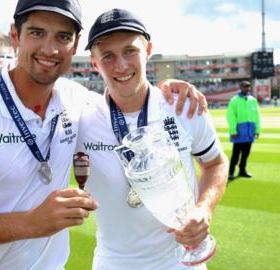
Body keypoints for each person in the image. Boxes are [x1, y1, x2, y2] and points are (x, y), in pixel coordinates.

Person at [0, 1, 206, 269]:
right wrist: (30, 223)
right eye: (37, 33)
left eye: (63, 37)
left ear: (76, 45)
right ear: (15, 35)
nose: (50, 49)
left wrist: (167, 89)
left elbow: (127, 95)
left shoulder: (77, 100)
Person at [76, 9, 228, 269]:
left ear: (148, 51)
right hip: (113, 263)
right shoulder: (81, 117)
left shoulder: (183, 107)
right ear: (94, 62)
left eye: (130, 51)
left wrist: (204, 209)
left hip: (180, 262)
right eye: (108, 56)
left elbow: (215, 163)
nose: (121, 65)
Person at [227, 80, 261, 180]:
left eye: (248, 87)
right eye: (245, 87)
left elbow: (256, 116)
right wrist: (233, 131)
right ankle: (231, 172)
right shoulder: (234, 100)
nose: (247, 88)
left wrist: (257, 130)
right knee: (235, 154)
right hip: (239, 131)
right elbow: (231, 116)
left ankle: (242, 170)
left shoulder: (252, 100)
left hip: (250, 131)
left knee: (246, 154)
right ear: (241, 88)